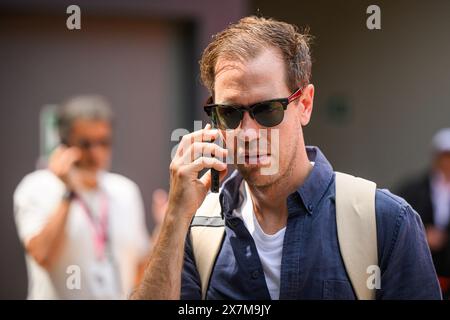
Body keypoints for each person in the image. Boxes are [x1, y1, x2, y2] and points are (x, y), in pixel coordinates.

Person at [131, 16, 441, 300]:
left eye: (267, 110)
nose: (248, 133)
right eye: (230, 113)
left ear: (304, 104)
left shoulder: (385, 221)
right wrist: (174, 219)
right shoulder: (197, 227)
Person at [14, 95, 151, 299]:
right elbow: (43, 256)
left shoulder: (125, 190)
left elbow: (139, 269)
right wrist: (69, 191)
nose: (96, 154)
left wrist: (167, 225)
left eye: (103, 142)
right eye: (85, 144)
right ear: (64, 144)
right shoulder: (36, 186)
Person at [398, 128, 450, 298]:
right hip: (421, 266)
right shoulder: (413, 189)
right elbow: (398, 219)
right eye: (445, 155)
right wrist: (420, 234)